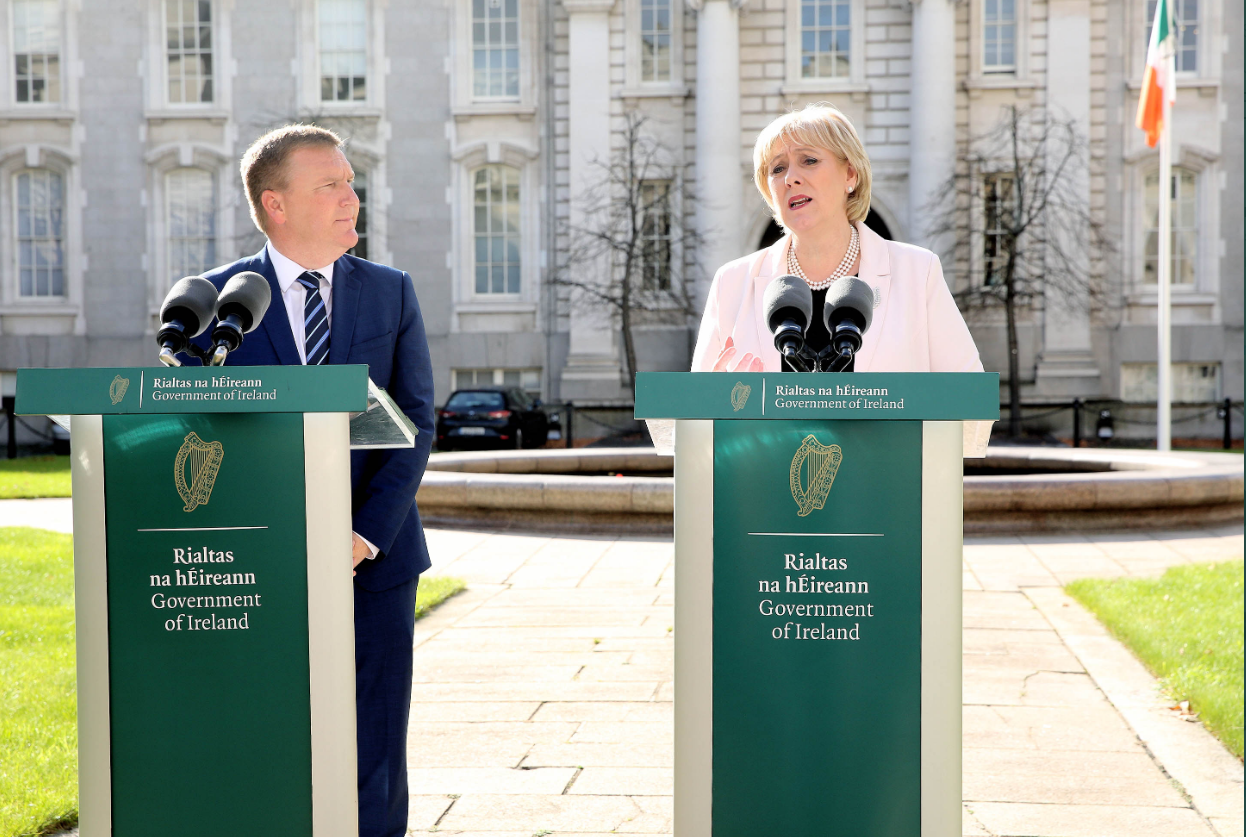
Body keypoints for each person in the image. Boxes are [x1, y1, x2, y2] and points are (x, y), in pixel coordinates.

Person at [199, 124, 434, 837]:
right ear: (275, 203)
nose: (351, 198)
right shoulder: (215, 303)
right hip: (257, 562)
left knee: (374, 742)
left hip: (377, 561)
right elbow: (203, 433)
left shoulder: (391, 291)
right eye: (330, 185)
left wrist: (364, 536)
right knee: (266, 726)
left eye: (350, 183)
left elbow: (416, 421)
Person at [689, 103, 991, 452]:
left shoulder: (917, 272)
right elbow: (693, 427)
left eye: (809, 160)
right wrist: (716, 408)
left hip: (887, 480)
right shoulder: (732, 283)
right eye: (778, 168)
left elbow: (971, 403)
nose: (790, 178)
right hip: (761, 481)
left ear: (850, 175)